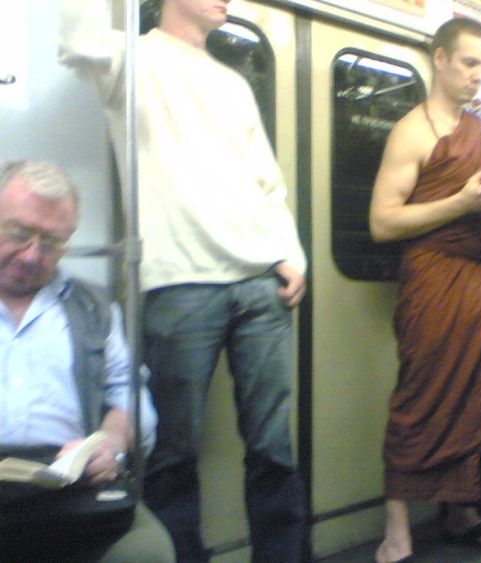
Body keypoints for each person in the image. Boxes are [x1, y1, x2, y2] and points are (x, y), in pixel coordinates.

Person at [59, 1, 308, 561]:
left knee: (273, 449)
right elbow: (76, 39)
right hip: (179, 284)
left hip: (259, 284)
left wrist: (291, 255)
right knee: (172, 454)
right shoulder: (130, 59)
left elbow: (266, 182)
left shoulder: (232, 83)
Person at [368, 17, 481, 563]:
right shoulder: (412, 132)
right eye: (469, 63)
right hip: (437, 281)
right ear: (439, 59)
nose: (477, 75)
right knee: (421, 402)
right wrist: (461, 203)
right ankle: (396, 531)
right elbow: (383, 223)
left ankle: (465, 515)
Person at [0, 160, 174, 561]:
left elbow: (128, 393)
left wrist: (110, 443)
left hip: (65, 483)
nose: (32, 255)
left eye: (51, 242)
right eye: (19, 233)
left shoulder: (93, 307)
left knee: (148, 552)